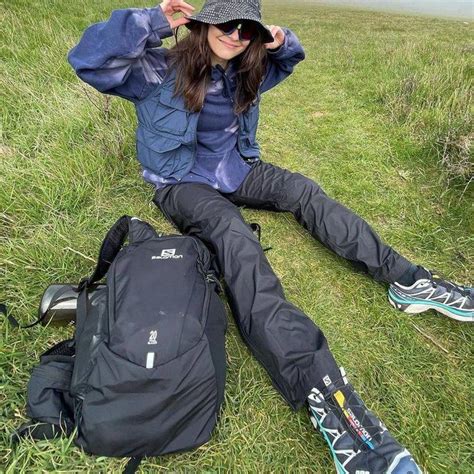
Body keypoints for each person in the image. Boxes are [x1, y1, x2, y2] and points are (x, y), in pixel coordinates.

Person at [68, 0, 472, 472]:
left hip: (239, 171)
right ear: (202, 21)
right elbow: (89, 60)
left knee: (304, 190)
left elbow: (289, 58)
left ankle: (409, 281)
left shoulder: (247, 70)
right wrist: (152, 20)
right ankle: (325, 396)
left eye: (247, 28)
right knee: (235, 238)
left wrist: (284, 39)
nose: (235, 34)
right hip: (182, 184)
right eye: (226, 22)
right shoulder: (157, 68)